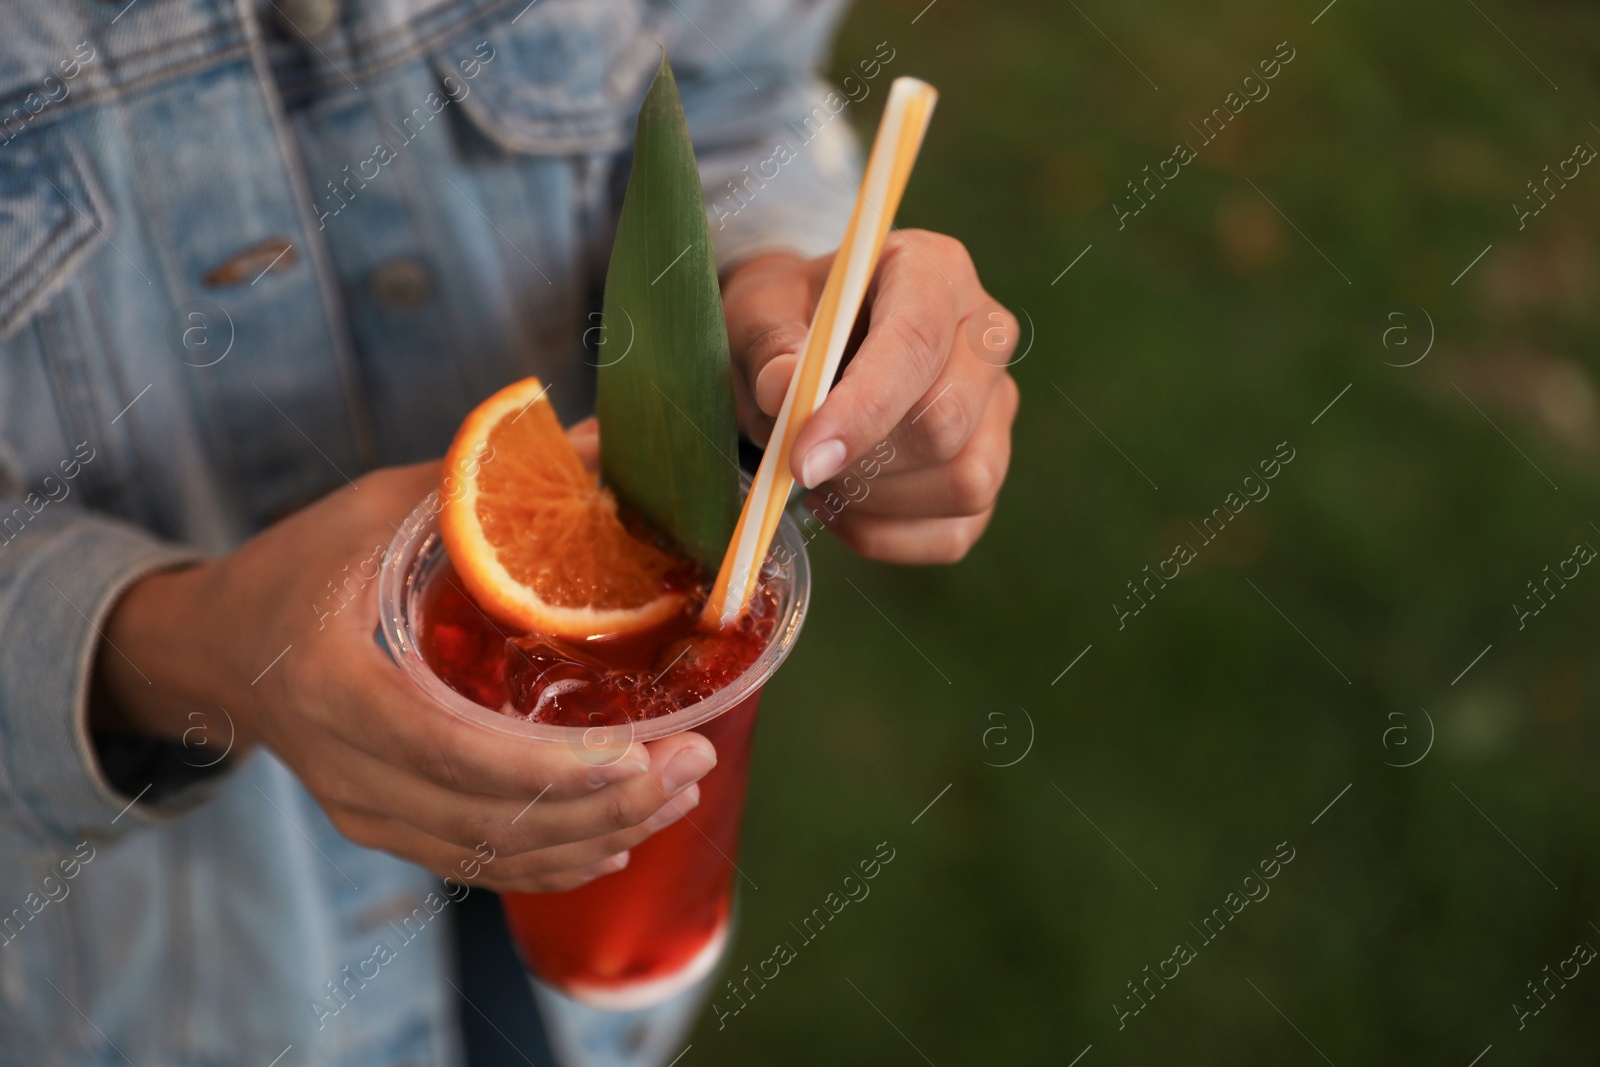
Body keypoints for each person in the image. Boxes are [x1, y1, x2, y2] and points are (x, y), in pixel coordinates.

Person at [0, 1, 1018, 1063]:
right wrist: (199, 641)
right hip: (170, 967)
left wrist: (782, 310)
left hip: (610, 950)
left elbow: (738, 96)